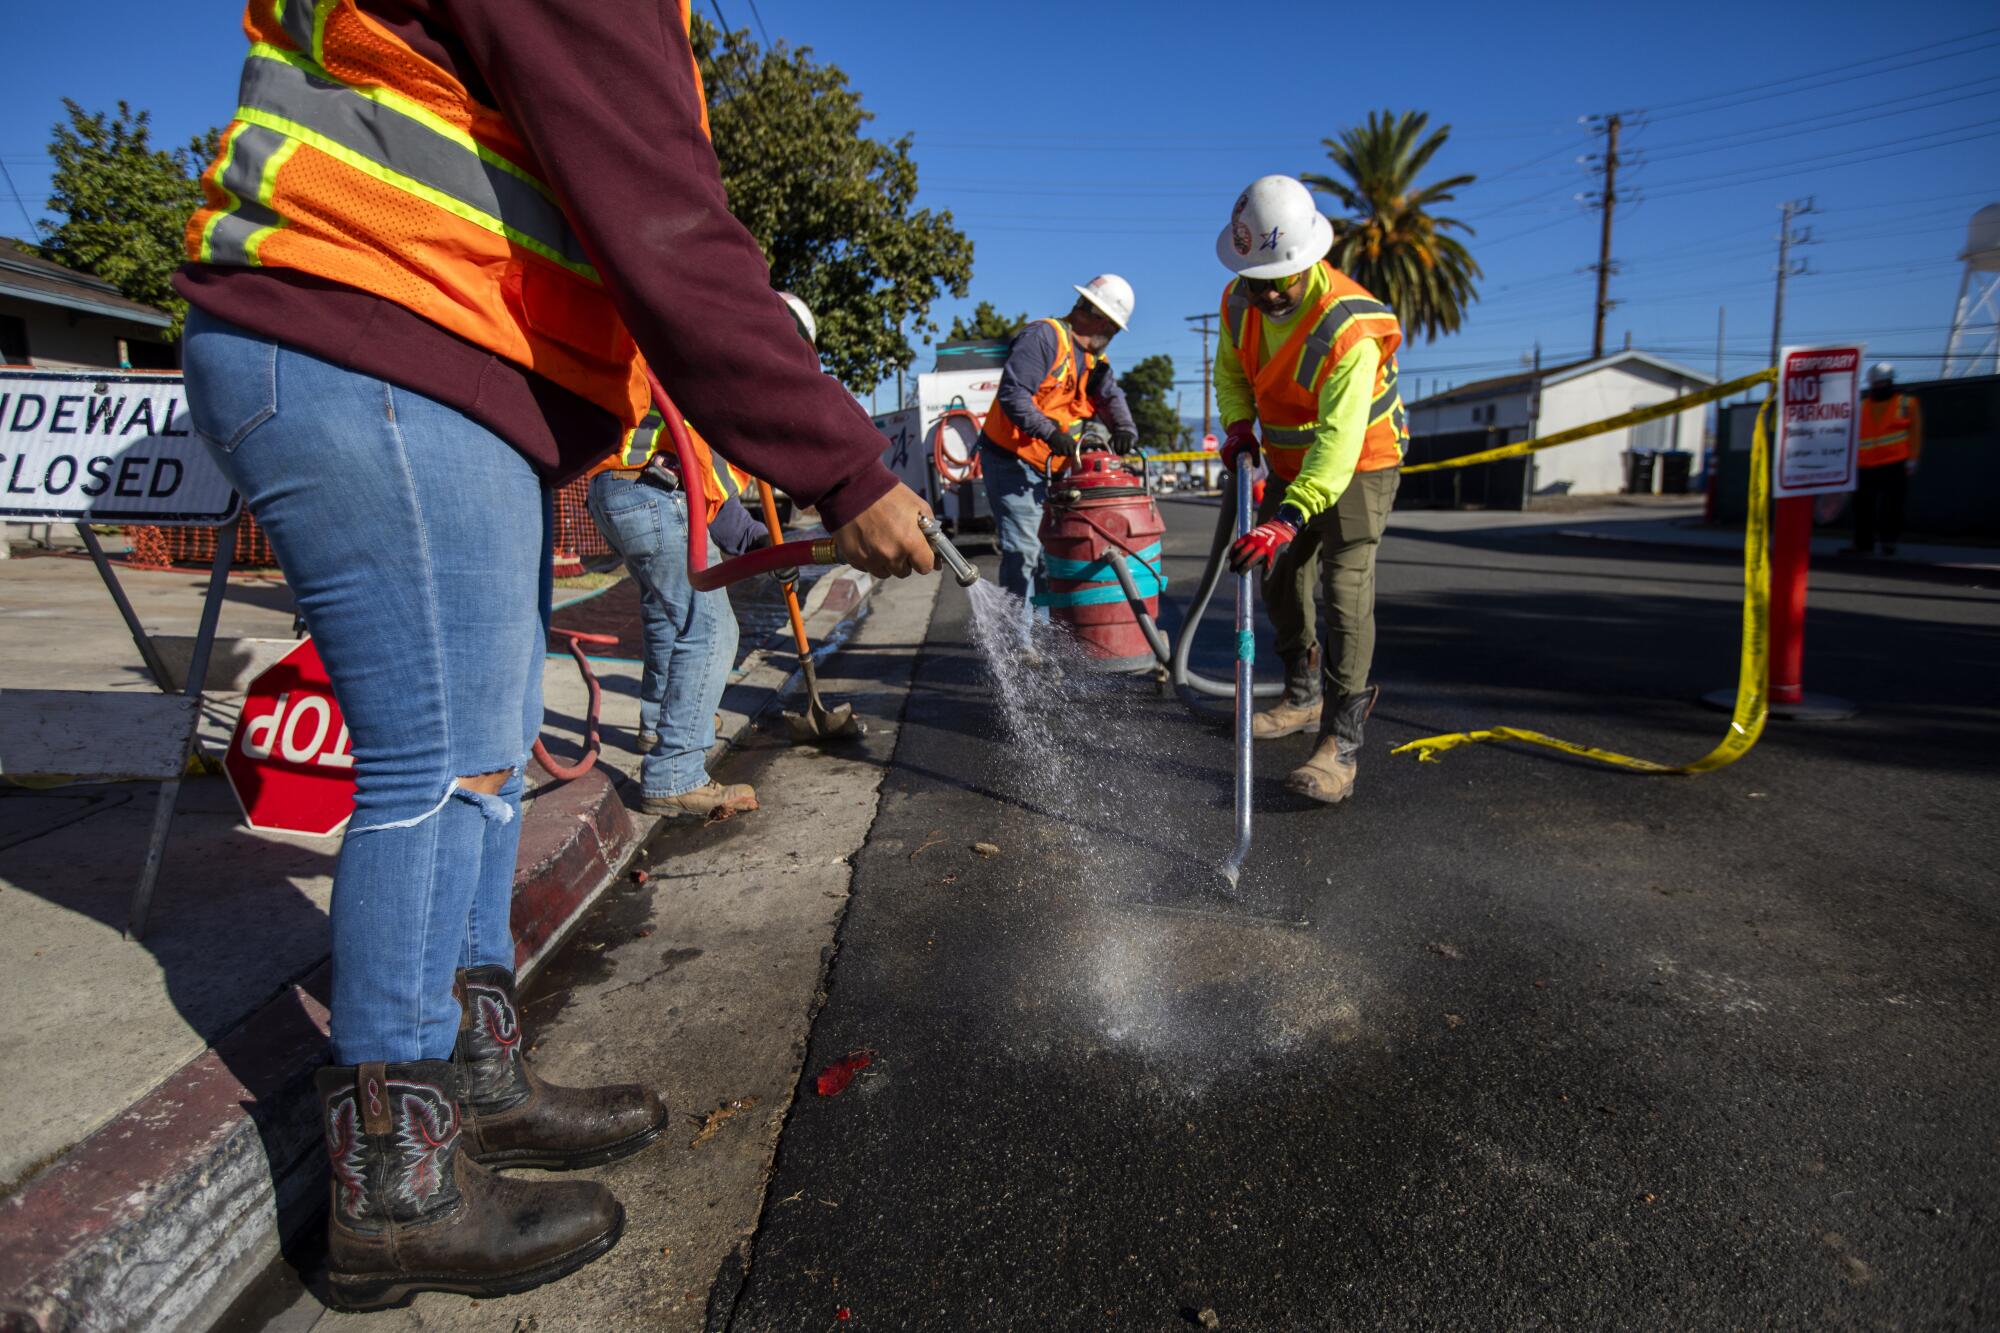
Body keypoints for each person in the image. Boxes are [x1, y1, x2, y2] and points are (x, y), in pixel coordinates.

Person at [174, 1, 933, 1310]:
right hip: (373, 335)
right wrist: (846, 465)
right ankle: (397, 1188)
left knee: (485, 750)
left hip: (412, 353)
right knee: (440, 760)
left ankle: (476, 1078)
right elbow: (665, 223)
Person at [1213, 175, 1408, 805]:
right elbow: (1231, 372)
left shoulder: (1350, 328)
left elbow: (1339, 438)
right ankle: (1301, 697)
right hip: (1294, 465)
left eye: (1281, 279)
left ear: (1311, 260)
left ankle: (1340, 746)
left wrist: (1288, 517)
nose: (1268, 293)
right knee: (1275, 576)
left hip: (1362, 463)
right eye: (1256, 278)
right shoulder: (1239, 301)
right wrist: (1239, 427)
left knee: (1345, 592)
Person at [585, 394, 765, 818]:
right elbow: (702, 467)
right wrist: (753, 538)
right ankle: (676, 773)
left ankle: (656, 724)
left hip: (611, 487)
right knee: (710, 629)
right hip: (655, 492)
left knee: (664, 614)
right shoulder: (719, 381)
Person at [976, 276, 1141, 612]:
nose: (1110, 337)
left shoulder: (1094, 362)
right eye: (1112, 329)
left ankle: (1043, 635)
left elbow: (1111, 398)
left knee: (1049, 553)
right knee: (1024, 551)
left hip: (1053, 468)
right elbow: (1013, 394)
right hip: (1013, 459)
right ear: (1100, 320)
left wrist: (1124, 429)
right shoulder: (1045, 337)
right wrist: (1050, 432)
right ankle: (1020, 647)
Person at [1848, 362, 1922, 557]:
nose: (1879, 387)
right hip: (1864, 465)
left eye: (1883, 383)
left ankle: (1889, 542)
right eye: (1876, 384)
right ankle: (1863, 545)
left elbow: (1915, 432)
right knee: (1863, 508)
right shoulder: (1862, 405)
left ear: (1890, 382)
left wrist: (1912, 459)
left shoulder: (1907, 403)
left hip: (1895, 463)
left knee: (1892, 507)